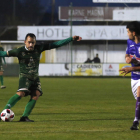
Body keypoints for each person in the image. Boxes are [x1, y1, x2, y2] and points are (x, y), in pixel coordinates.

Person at [0, 33, 82, 122]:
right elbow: (3, 53)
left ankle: (24, 117)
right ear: (25, 42)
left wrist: (71, 39)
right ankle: (2, 115)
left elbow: (56, 44)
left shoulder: (39, 48)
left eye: (33, 43)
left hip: (35, 77)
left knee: (36, 94)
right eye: (29, 42)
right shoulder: (19, 51)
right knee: (21, 94)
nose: (31, 44)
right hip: (24, 76)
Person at [119, 21, 140, 130]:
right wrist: (127, 58)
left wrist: (131, 68)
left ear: (134, 32)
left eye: (128, 32)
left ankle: (135, 122)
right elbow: (127, 54)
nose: (127, 34)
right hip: (135, 78)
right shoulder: (129, 42)